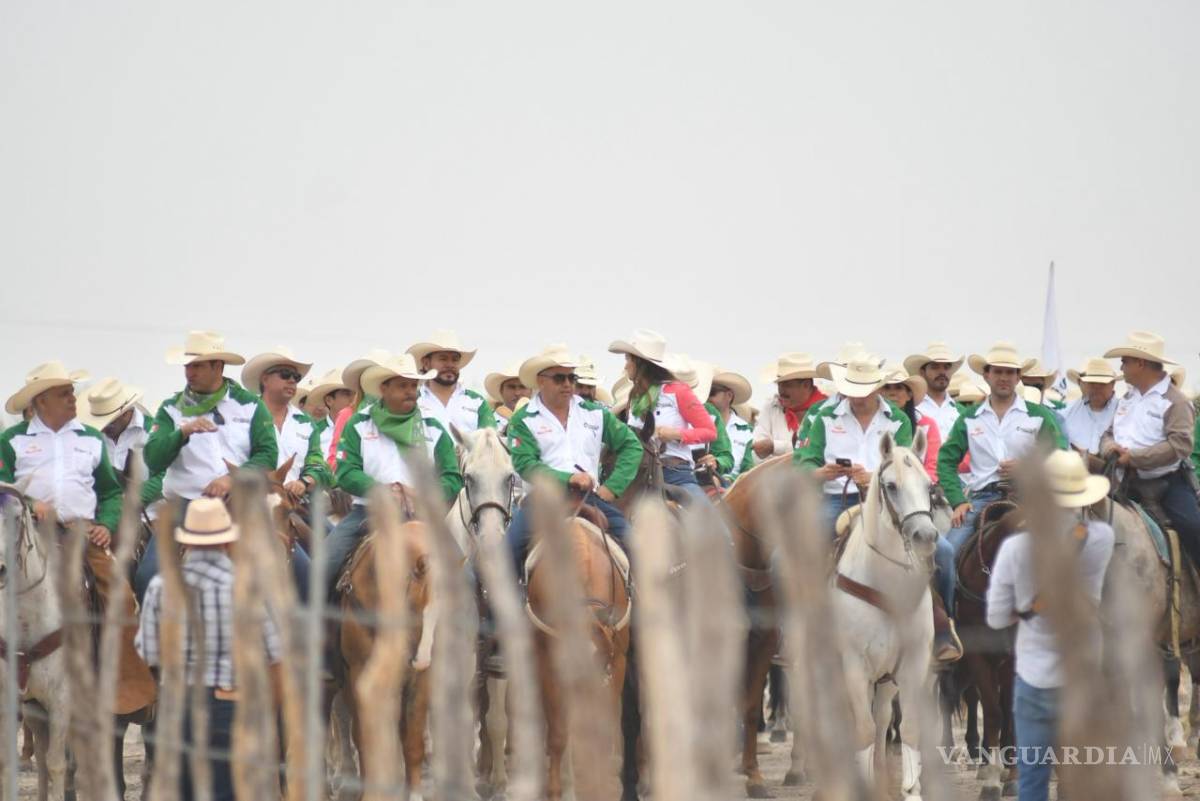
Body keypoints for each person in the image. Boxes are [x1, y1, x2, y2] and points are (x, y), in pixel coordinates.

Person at [1, 362, 156, 716]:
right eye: (64, 393)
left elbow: (111, 492)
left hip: (80, 534)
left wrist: (106, 523)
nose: (74, 398)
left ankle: (122, 688)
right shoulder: (11, 441)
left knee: (121, 597)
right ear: (41, 401)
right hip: (25, 535)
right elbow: (1, 487)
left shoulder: (89, 437)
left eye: (72, 391)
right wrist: (28, 502)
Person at [986, 450, 1114, 801]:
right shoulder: (1101, 539)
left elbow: (996, 618)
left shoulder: (1014, 548)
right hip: (1083, 670)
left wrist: (1023, 609)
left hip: (1033, 677)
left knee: (1031, 779)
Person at [136, 498, 282, 801]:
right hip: (231, 704)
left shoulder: (161, 587)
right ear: (227, 542)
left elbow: (148, 654)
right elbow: (275, 656)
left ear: (187, 541)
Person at [325, 354, 463, 594]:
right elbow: (346, 472)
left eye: (413, 385)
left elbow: (452, 477)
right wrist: (383, 491)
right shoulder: (359, 423)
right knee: (323, 568)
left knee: (466, 577)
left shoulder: (433, 426)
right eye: (402, 385)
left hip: (422, 516)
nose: (410, 391)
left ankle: (473, 630)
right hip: (367, 512)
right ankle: (315, 628)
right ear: (383, 388)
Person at [504, 345, 643, 572]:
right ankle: (502, 608)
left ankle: (640, 607)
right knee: (503, 559)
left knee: (637, 549)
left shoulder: (596, 414)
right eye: (560, 378)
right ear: (541, 381)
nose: (568, 384)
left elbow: (631, 446)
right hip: (541, 503)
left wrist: (612, 488)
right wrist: (569, 478)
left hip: (589, 498)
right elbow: (526, 465)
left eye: (571, 377)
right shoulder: (523, 419)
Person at [938, 342, 1067, 558]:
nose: (1004, 377)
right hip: (981, 498)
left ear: (1018, 378)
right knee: (947, 552)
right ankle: (945, 594)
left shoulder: (1038, 415)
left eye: (1010, 372)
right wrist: (958, 501)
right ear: (986, 375)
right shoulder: (969, 418)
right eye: (998, 371)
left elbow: (1060, 455)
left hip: (1029, 496)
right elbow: (945, 461)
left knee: (1064, 550)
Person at [1099, 331, 1200, 569]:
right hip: (1122, 482)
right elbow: (1108, 434)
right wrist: (1109, 448)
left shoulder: (1175, 401)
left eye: (1125, 361)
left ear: (1140, 363)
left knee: (1194, 528)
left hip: (1167, 485)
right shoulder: (1128, 398)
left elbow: (1180, 445)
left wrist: (1133, 458)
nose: (1121, 367)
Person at [795, 359, 914, 534]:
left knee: (942, 550)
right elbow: (807, 461)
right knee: (785, 554)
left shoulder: (898, 420)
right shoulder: (825, 417)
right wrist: (821, 473)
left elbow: (905, 467)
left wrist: (872, 477)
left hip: (886, 499)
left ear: (877, 389)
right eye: (852, 391)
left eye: (863, 391)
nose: (857, 397)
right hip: (837, 498)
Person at [608, 330, 715, 501]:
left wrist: (675, 434)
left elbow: (709, 431)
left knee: (709, 522)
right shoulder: (635, 397)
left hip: (675, 472)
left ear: (639, 363)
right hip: (636, 473)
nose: (625, 365)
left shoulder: (678, 391)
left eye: (628, 359)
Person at [241, 347, 332, 499]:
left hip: (293, 501)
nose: (291, 380)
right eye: (284, 375)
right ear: (265, 379)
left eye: (296, 377)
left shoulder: (306, 423)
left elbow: (317, 464)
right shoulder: (244, 416)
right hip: (249, 500)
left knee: (327, 524)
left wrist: (303, 482)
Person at [407, 329, 497, 434]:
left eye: (455, 360)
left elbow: (491, 441)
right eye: (443, 359)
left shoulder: (477, 402)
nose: (450, 364)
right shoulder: (412, 401)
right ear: (426, 363)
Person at [752, 353, 826, 459]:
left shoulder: (827, 411)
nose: (781, 390)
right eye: (779, 384)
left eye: (787, 385)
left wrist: (775, 447)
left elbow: (820, 450)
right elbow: (757, 451)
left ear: (806, 385)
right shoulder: (771, 407)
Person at [881, 367, 941, 481]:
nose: (892, 393)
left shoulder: (927, 425)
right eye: (887, 387)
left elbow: (933, 464)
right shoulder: (874, 421)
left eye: (899, 388)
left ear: (909, 395)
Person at [1060, 358, 1119, 468]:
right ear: (1079, 383)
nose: (1096, 388)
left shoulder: (1124, 412)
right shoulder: (1065, 414)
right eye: (1091, 383)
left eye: (1102, 384)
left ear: (1113, 384)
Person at [904, 341, 967, 442]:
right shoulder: (912, 409)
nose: (942, 372)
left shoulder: (961, 412)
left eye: (946, 367)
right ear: (922, 372)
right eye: (935, 367)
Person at [707, 366, 756, 480]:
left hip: (733, 486)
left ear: (729, 396)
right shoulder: (695, 421)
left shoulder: (746, 430)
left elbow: (748, 469)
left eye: (712, 392)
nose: (707, 398)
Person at [303, 367, 354, 457]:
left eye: (355, 394)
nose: (353, 399)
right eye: (347, 394)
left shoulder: (362, 428)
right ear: (329, 400)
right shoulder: (313, 433)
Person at [485, 362, 530, 435]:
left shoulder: (541, 420)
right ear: (501, 391)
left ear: (531, 391)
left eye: (522, 387)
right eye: (511, 387)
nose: (517, 393)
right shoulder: (486, 421)